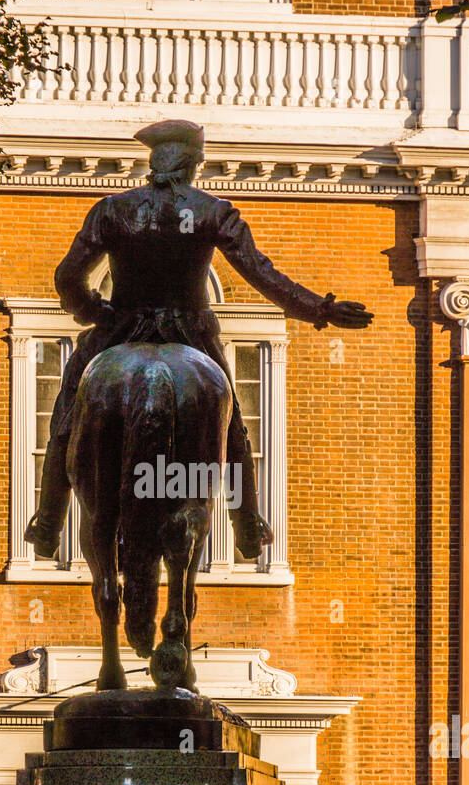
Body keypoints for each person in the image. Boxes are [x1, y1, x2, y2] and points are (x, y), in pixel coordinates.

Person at [25, 118, 372, 563]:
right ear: (192, 165)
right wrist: (321, 310)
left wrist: (96, 313)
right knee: (231, 427)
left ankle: (49, 520)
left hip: (121, 329)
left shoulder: (113, 209)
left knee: (69, 414)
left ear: (154, 161)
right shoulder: (213, 210)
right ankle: (247, 523)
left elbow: (68, 277)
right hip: (190, 332)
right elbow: (263, 276)